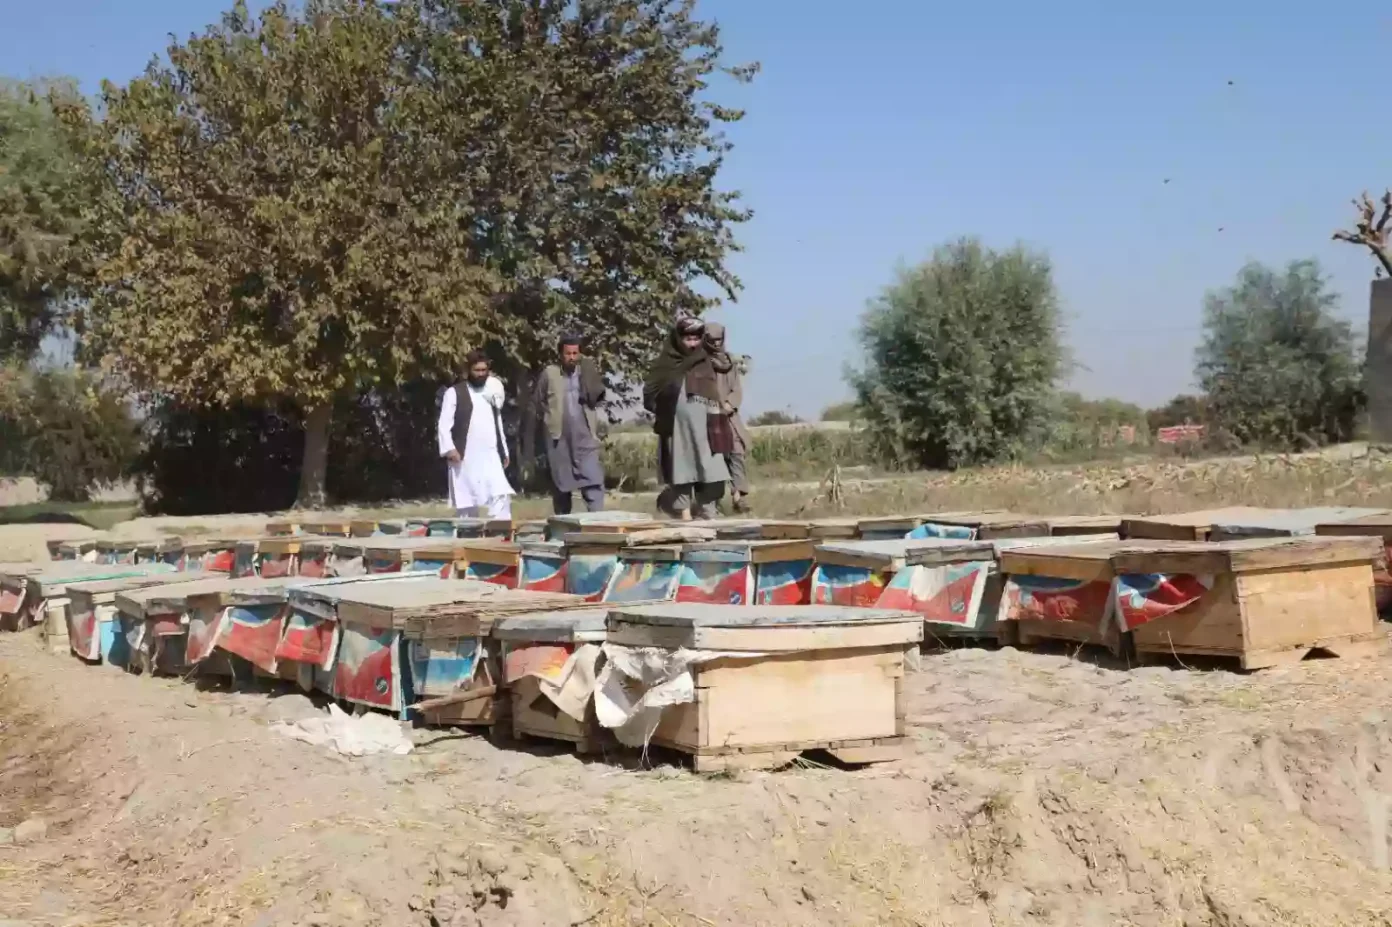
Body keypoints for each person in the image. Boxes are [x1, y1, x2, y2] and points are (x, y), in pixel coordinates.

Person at [642, 317, 732, 520]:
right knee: (680, 469)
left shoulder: (706, 360)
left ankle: (708, 511)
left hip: (706, 429)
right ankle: (684, 514)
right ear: (678, 339)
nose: (692, 344)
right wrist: (666, 411)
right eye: (687, 339)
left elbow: (723, 368)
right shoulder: (665, 363)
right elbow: (650, 393)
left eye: (696, 339)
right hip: (677, 429)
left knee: (712, 469)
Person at [437, 350, 514, 519]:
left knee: (501, 494)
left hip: (490, 454)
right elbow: (444, 425)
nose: (480, 374)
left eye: (483, 370)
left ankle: (502, 531)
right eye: (476, 370)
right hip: (465, 456)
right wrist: (450, 449)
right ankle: (468, 534)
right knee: (467, 502)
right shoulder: (454, 393)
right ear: (468, 371)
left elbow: (497, 423)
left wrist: (504, 450)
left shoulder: (492, 392)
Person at [535, 333, 607, 514]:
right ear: (560, 354)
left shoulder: (587, 373)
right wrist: (549, 421)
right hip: (559, 439)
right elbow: (539, 402)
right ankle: (562, 524)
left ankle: (597, 523)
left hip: (584, 437)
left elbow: (598, 397)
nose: (572, 357)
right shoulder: (549, 374)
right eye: (568, 354)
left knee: (592, 480)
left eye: (575, 353)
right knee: (561, 485)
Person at [704, 322, 753, 513]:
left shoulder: (730, 362)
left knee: (736, 452)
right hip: (708, 415)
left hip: (729, 415)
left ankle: (738, 497)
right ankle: (710, 503)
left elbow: (736, 389)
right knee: (715, 457)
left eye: (719, 339)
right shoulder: (700, 363)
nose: (717, 343)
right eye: (713, 340)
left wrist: (730, 404)